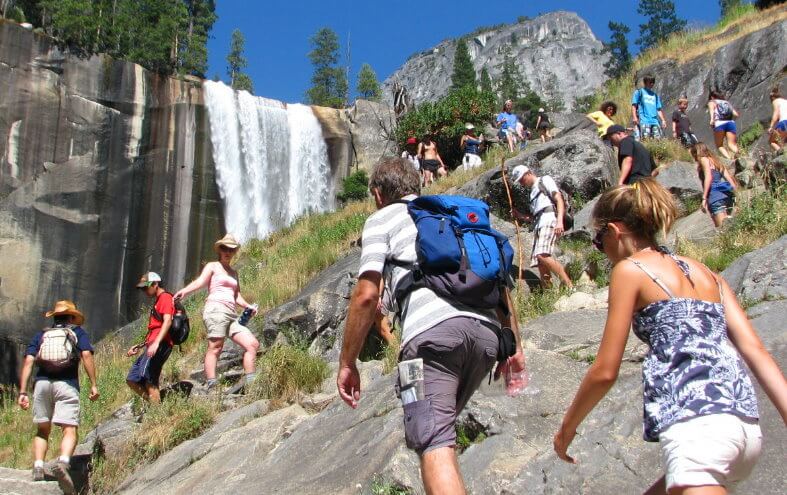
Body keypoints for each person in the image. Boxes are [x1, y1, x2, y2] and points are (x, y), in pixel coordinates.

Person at [553, 178, 787, 495]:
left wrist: (567, 428)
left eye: (599, 241)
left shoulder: (630, 270)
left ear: (614, 230)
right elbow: (756, 351)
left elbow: (605, 370)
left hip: (697, 420)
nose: (603, 250)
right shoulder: (709, 275)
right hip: (743, 427)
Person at [337, 157, 525, 494]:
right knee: (442, 434)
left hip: (425, 342)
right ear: (416, 185)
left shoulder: (382, 218)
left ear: (378, 195)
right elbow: (499, 280)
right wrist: (515, 347)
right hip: (486, 337)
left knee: (433, 442)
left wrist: (347, 363)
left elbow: (366, 295)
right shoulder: (449, 214)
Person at [18, 300, 99, 494]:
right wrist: (93, 384)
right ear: (72, 317)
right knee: (69, 428)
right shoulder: (77, 333)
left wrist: (22, 392)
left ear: (54, 317)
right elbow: (86, 355)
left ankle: (38, 465)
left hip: (42, 384)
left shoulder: (42, 335)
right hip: (67, 384)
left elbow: (29, 361)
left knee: (42, 430)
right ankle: (63, 462)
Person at [174, 234, 260, 391]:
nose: (228, 251)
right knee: (215, 346)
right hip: (216, 309)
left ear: (234, 252)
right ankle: (212, 384)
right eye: (224, 248)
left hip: (232, 315)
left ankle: (251, 383)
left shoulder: (234, 273)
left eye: (231, 249)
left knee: (252, 344)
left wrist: (248, 306)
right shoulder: (213, 266)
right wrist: (184, 292)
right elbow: (201, 282)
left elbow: (236, 296)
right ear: (220, 250)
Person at [510, 165, 573, 289]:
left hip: (549, 219)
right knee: (540, 262)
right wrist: (520, 216)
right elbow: (535, 216)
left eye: (522, 179)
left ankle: (569, 286)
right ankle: (548, 292)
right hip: (539, 224)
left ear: (528, 173)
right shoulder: (532, 193)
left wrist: (559, 221)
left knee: (542, 254)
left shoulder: (545, 180)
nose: (522, 183)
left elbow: (558, 199)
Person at [126, 272, 174, 404]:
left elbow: (167, 321)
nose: (144, 291)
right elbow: (155, 327)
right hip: (151, 343)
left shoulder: (165, 297)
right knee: (132, 378)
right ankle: (154, 405)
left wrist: (157, 343)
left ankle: (156, 411)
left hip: (160, 343)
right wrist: (140, 345)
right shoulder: (158, 301)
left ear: (155, 284)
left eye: (146, 287)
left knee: (148, 378)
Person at [691, 143, 738, 228]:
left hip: (715, 197)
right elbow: (730, 181)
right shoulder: (716, 161)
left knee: (723, 229)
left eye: (694, 155)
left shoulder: (703, 159)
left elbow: (708, 177)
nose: (694, 159)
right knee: (731, 228)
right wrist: (736, 196)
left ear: (696, 153)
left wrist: (704, 198)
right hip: (726, 197)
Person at [631, 75, 667, 140]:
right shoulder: (639, 92)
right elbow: (634, 105)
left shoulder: (655, 95)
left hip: (655, 121)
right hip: (644, 121)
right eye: (650, 82)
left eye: (653, 82)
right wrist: (634, 117)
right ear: (645, 82)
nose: (652, 84)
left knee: (658, 140)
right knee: (646, 140)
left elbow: (658, 109)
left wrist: (663, 120)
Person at [707, 90, 740, 159]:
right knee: (731, 144)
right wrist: (731, 121)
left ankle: (729, 159)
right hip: (730, 122)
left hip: (719, 123)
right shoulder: (726, 103)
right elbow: (736, 114)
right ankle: (740, 156)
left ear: (712, 97)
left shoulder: (712, 102)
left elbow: (712, 111)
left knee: (719, 145)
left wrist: (712, 120)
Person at [767, 87, 787, 152]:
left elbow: (776, 113)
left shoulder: (775, 101)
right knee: (784, 142)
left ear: (772, 97)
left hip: (784, 122)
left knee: (772, 141)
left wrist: (771, 127)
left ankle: (783, 155)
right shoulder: (785, 101)